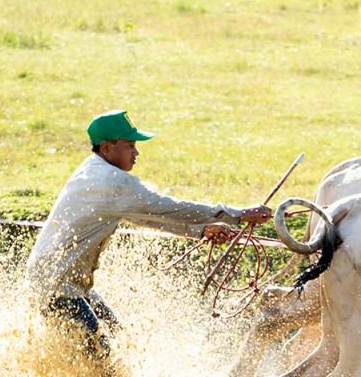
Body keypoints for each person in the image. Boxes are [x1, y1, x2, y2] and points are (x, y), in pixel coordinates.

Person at [26, 110, 273, 351]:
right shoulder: (111, 182)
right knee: (105, 355)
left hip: (64, 281)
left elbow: (148, 216)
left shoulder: (94, 171)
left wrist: (201, 230)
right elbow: (169, 208)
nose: (136, 152)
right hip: (57, 286)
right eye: (129, 146)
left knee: (119, 341)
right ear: (106, 148)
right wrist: (238, 214)